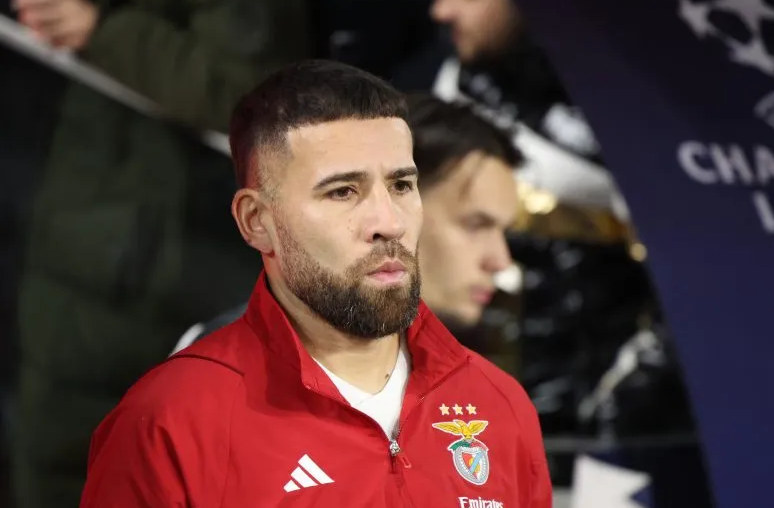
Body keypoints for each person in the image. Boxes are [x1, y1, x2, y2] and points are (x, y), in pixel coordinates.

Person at [74, 60, 553, 508]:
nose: (388, 221)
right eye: (343, 192)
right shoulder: (172, 423)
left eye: (401, 184)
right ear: (257, 221)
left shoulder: (499, 406)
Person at [8, 0, 333, 508]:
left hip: (150, 282)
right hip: (81, 259)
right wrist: (72, 12)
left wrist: (104, 30)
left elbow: (247, 100)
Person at [425, 0, 693, 439]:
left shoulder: (644, 131)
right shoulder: (441, 96)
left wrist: (624, 411)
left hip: (606, 438)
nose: (441, 9)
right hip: (463, 426)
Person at [172, 92, 524, 353]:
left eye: (503, 232)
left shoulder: (479, 390)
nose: (501, 261)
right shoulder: (221, 364)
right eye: (476, 224)